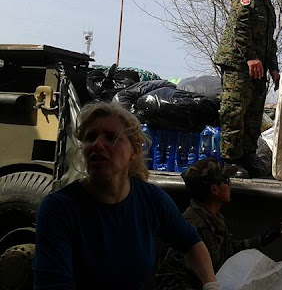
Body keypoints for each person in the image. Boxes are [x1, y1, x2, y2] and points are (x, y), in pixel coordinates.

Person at [33, 102, 219, 290]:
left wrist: (211, 284)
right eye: (90, 138)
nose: (97, 144)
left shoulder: (151, 199)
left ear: (135, 150)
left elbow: (191, 242)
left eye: (110, 137)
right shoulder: (58, 209)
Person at [214, 0, 282, 176]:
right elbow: (238, 27)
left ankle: (247, 155)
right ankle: (231, 160)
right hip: (238, 64)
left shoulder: (269, 8)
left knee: (253, 113)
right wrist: (250, 57)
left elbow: (269, 42)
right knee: (234, 110)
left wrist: (274, 69)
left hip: (258, 69)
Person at [156, 157, 282, 289]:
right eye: (227, 180)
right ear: (214, 189)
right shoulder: (192, 226)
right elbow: (169, 277)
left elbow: (227, 249)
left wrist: (263, 239)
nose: (230, 184)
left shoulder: (213, 218)